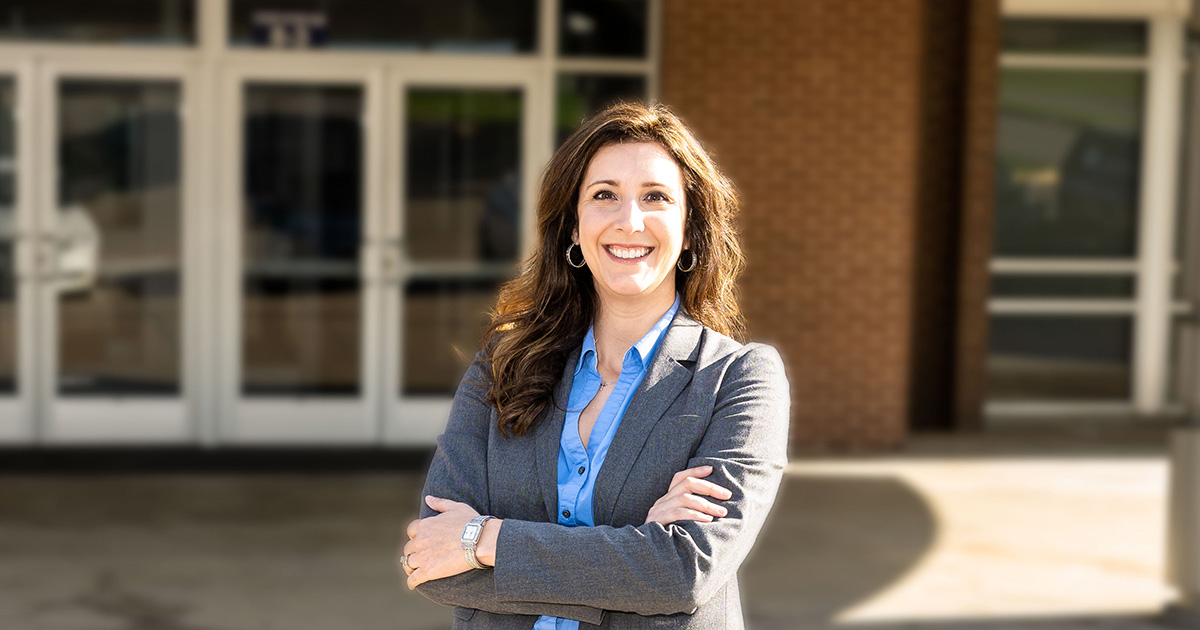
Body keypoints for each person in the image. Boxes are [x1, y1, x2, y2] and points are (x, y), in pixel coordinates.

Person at [399, 102, 790, 629]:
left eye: (655, 197)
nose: (629, 221)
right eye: (604, 195)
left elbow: (683, 573)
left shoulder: (739, 380)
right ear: (573, 229)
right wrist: (636, 558)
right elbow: (433, 563)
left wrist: (484, 539)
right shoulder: (504, 363)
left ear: (691, 229)